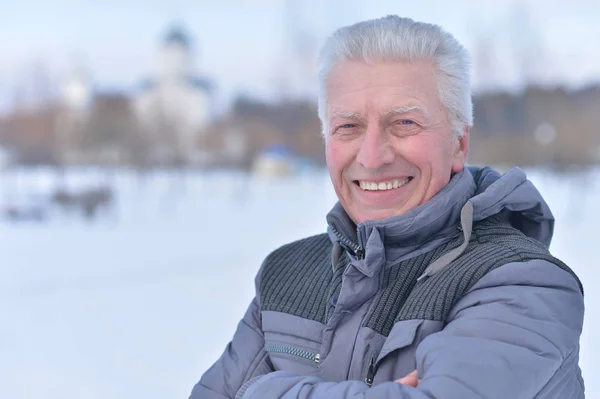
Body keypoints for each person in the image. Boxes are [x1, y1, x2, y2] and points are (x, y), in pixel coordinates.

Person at [190, 15, 585, 399]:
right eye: (349, 126)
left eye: (405, 123)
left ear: (459, 144)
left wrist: (260, 391)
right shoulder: (285, 274)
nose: (373, 156)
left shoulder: (522, 283)